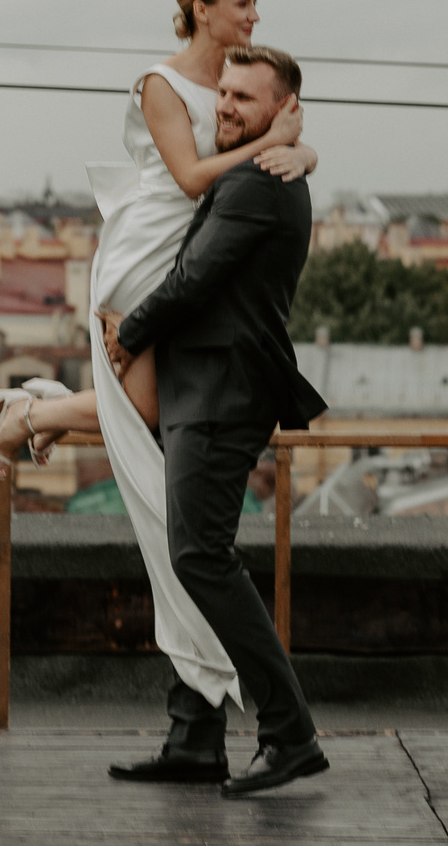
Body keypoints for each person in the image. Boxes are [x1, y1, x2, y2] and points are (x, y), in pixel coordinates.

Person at [0, 0, 314, 771]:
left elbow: (258, 180)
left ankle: (42, 411)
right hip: (152, 255)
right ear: (202, 9)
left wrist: (299, 154)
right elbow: (195, 176)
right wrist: (277, 141)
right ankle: (208, 729)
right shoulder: (170, 87)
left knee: (170, 518)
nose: (253, 16)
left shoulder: (248, 96)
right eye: (242, 3)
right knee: (159, 482)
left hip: (189, 274)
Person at [109, 43, 330, 798]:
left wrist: (129, 331)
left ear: (280, 109)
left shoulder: (258, 182)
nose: (228, 106)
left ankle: (289, 731)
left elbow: (193, 278)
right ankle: (196, 734)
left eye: (246, 98)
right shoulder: (265, 168)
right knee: (191, 557)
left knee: (200, 556)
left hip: (219, 390)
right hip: (211, 386)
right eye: (225, 94)